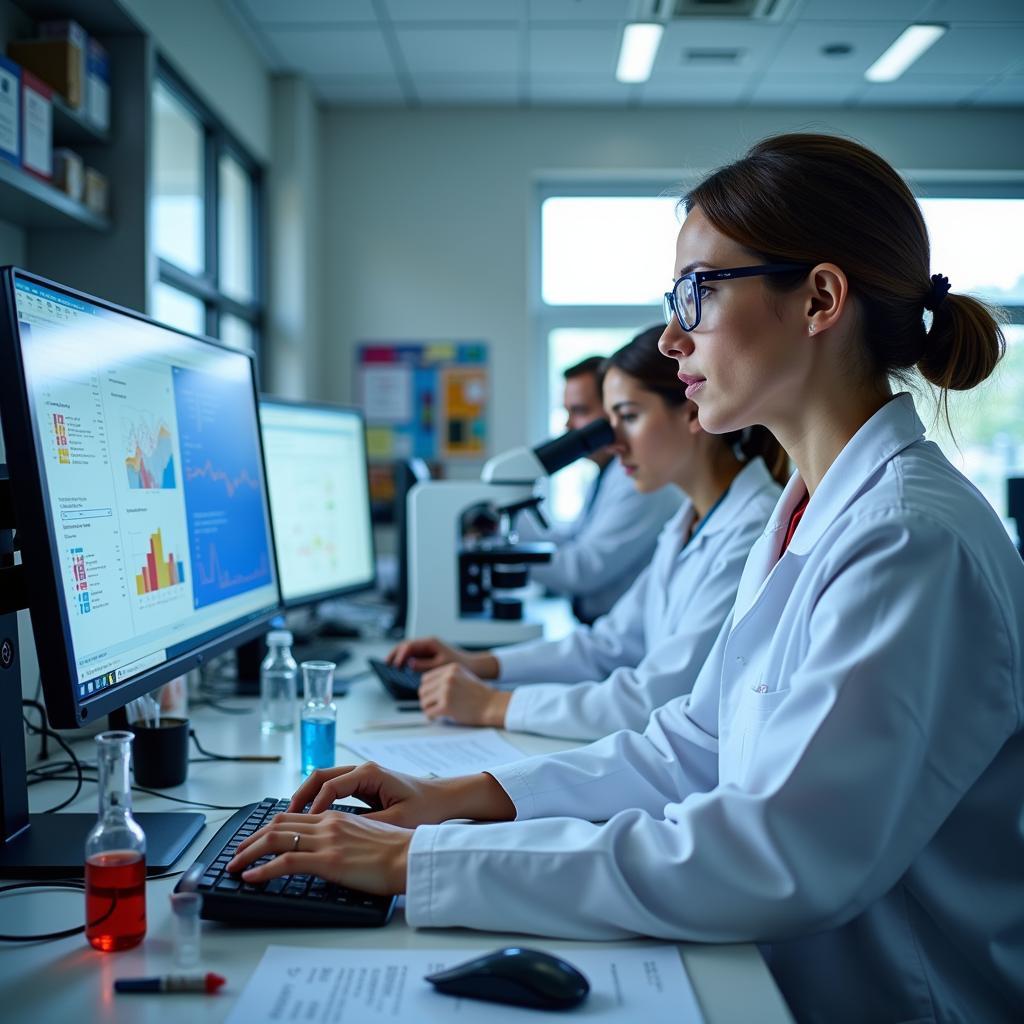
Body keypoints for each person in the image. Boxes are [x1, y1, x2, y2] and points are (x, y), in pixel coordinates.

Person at [229, 134, 1024, 1023]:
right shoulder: (810, 508)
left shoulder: (909, 541)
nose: (674, 336)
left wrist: (417, 864)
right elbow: (694, 743)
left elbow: (779, 853)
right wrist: (454, 802)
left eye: (697, 292)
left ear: (820, 299)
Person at [388, 326, 787, 740]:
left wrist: (493, 704)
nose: (614, 444)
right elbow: (605, 646)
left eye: (629, 417)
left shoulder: (751, 531)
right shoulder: (687, 522)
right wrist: (479, 662)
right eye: (611, 421)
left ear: (691, 411)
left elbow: (654, 698)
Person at [520, 354, 681, 624]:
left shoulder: (639, 480)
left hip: (618, 627)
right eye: (567, 412)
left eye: (580, 411)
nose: (568, 426)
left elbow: (582, 570)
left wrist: (509, 554)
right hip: (602, 628)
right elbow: (571, 539)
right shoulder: (606, 474)